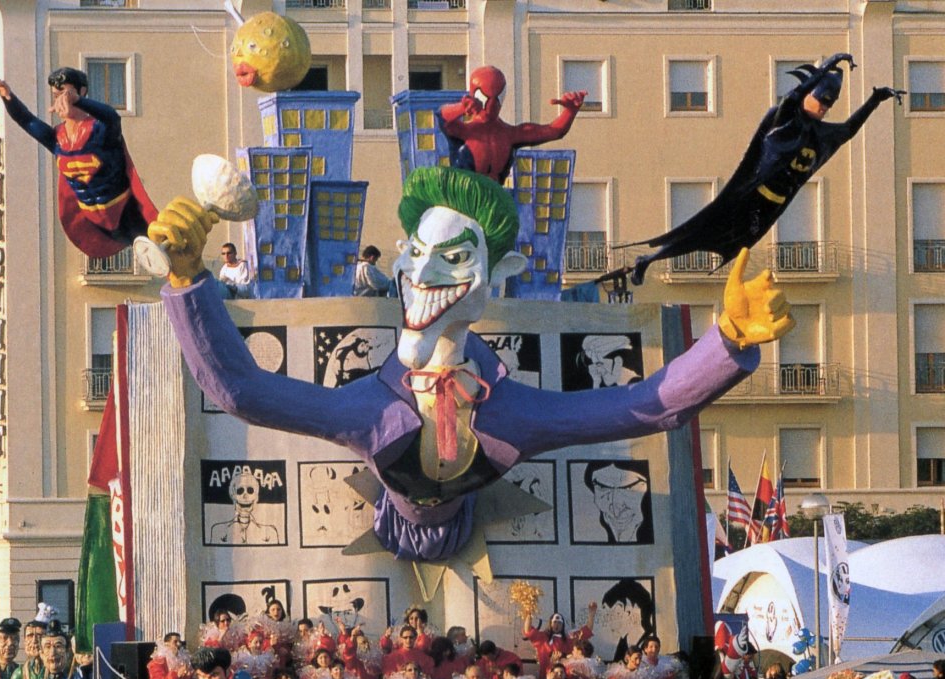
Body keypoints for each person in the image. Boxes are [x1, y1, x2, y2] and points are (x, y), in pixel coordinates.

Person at [150, 165, 792, 564]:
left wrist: (727, 341)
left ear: (500, 274)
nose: (423, 273)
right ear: (399, 260)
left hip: (457, 519)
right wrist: (187, 280)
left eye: (453, 259)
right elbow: (239, 390)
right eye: (416, 253)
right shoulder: (371, 411)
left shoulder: (514, 414)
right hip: (400, 522)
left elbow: (646, 406)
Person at [624, 53, 903, 285]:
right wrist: (826, 66)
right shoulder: (783, 120)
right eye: (821, 100)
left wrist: (874, 101)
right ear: (809, 95)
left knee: (732, 241)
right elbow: (789, 101)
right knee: (703, 230)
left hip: (769, 208)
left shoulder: (820, 135)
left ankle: (653, 260)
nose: (824, 109)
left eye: (829, 105)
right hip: (752, 198)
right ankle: (647, 261)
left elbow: (849, 130)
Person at [0, 67, 157, 258]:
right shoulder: (57, 138)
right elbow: (27, 120)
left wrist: (78, 101)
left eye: (64, 93)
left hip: (124, 213)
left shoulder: (100, 131)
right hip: (95, 223)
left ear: (81, 91)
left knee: (165, 253)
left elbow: (112, 117)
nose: (60, 100)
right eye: (56, 95)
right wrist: (8, 95)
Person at [438, 66, 587, 183]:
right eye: (484, 97)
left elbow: (555, 131)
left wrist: (570, 111)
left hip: (493, 206)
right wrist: (461, 108)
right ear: (474, 95)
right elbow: (442, 116)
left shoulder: (510, 135)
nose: (491, 105)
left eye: (497, 98)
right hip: (461, 205)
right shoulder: (464, 131)